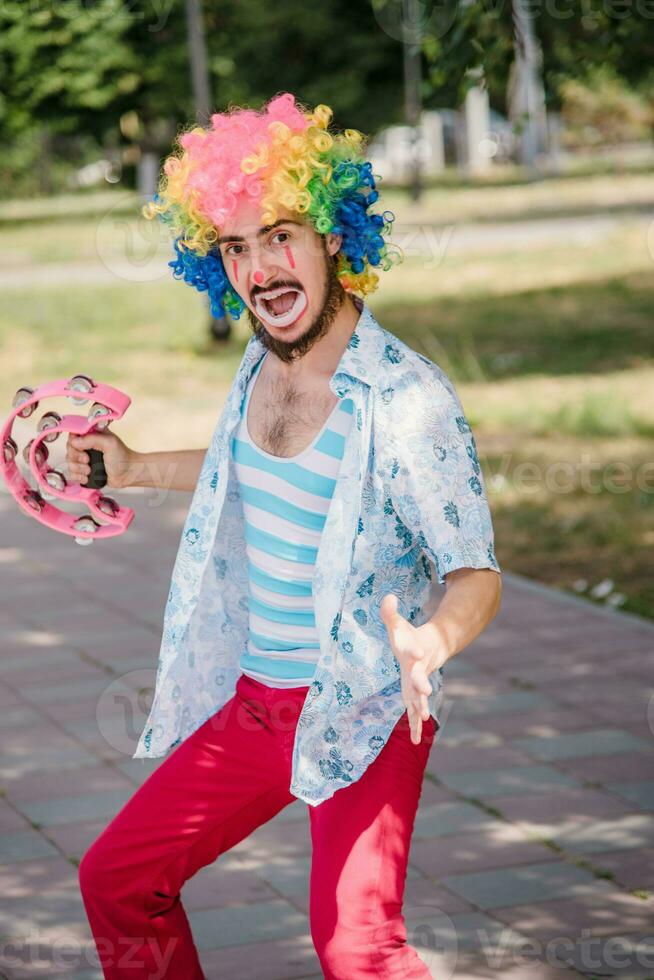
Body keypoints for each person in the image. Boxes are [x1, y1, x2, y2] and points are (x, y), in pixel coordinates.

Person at [69, 92, 502, 979]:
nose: (260, 266)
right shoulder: (260, 359)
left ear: (334, 236)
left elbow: (474, 572)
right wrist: (134, 464)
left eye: (280, 235)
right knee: (117, 879)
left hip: (367, 704)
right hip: (258, 703)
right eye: (235, 246)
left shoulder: (405, 398)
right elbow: (243, 464)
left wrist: (432, 641)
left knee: (356, 947)